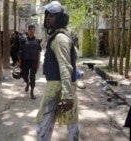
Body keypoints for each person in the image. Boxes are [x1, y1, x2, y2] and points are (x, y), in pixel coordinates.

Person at [36, 1, 79, 141]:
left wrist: (66, 94)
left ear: (60, 18)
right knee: (72, 124)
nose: (48, 17)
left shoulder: (60, 38)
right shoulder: (61, 36)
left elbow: (65, 66)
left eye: (53, 15)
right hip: (65, 87)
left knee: (44, 126)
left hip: (57, 88)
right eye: (47, 15)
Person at [18, 24, 41, 99]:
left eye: (33, 30)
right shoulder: (23, 40)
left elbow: (38, 53)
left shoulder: (37, 41)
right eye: (31, 30)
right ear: (28, 31)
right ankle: (27, 82)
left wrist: (38, 63)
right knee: (24, 75)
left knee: (32, 77)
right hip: (25, 61)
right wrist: (20, 62)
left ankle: (32, 92)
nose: (32, 31)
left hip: (33, 61)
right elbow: (20, 52)